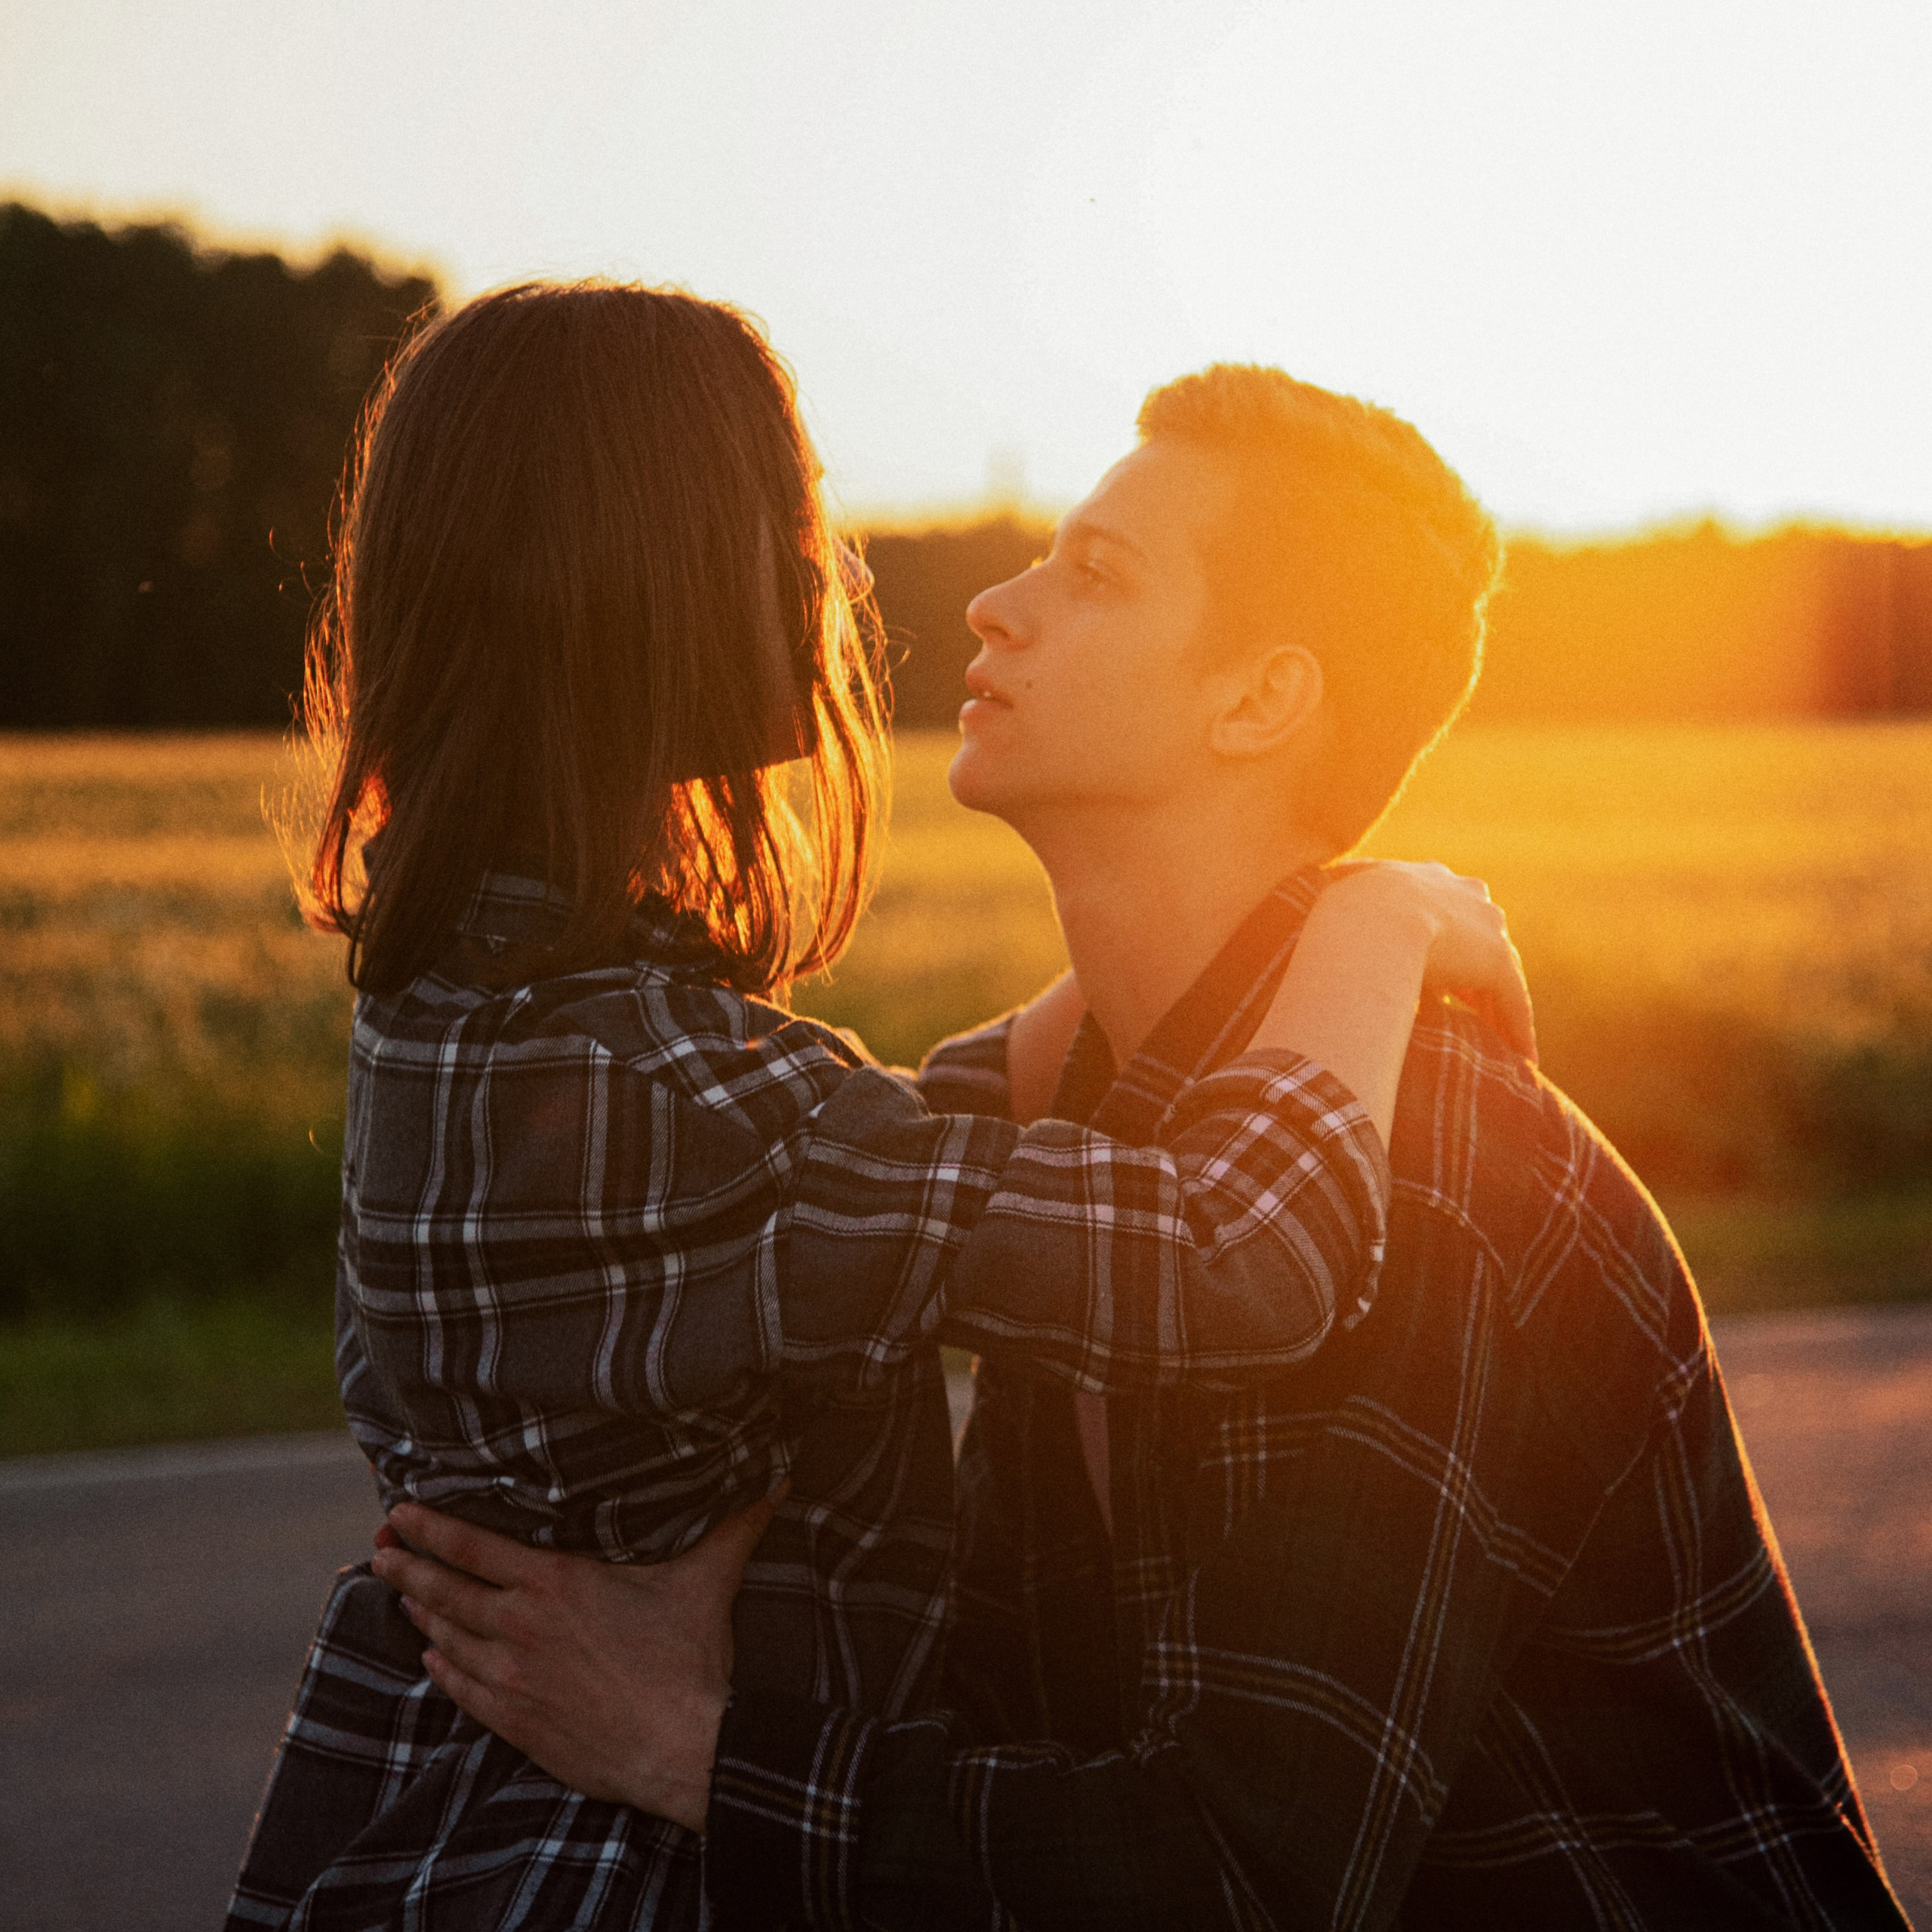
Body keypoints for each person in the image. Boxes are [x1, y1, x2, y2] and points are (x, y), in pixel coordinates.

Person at [374, 365, 1909, 1928]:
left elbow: (1232, 1876)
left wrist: (687, 1743)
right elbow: (1022, 1717)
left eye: (1091, 575)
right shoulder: (1094, 1158)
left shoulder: (1417, 1170)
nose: (990, 606)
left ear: (1258, 699)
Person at [226, 291, 1534, 1930]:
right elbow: (1239, 1251)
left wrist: (1132, 999)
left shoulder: (483, 1015)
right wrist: (1375, 917)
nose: (855, 581)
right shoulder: (695, 1102)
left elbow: (865, 1173)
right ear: (643, 576)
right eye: (794, 523)